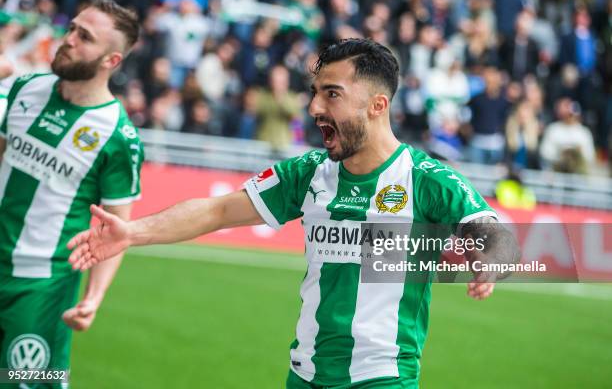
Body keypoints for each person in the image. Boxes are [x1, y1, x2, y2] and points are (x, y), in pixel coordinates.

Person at [67, 39, 520, 388]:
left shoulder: (425, 178)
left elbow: (498, 234)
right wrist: (132, 232)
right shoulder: (309, 172)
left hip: (381, 378)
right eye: (315, 93)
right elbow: (218, 209)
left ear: (378, 106)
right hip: (302, 375)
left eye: (332, 94)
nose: (315, 108)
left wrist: (491, 260)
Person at [0, 0, 143, 385]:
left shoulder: (118, 137)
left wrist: (92, 298)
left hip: (42, 286)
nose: (69, 39)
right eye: (72, 28)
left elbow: (117, 231)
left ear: (110, 61)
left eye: (85, 36)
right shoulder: (26, 88)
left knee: (23, 381)